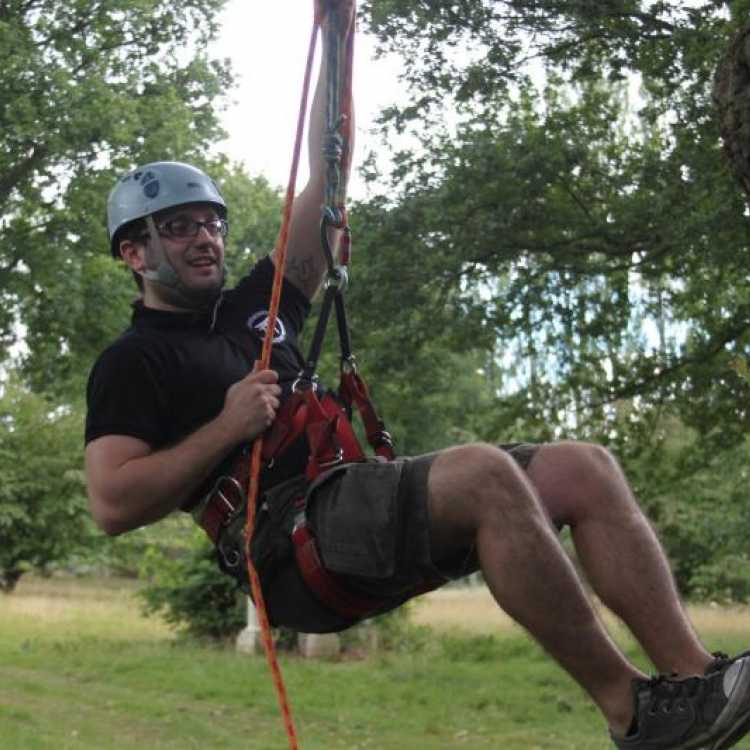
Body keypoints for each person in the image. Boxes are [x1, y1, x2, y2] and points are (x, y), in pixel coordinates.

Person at [84, 3, 750, 748]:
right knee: (483, 473)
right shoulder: (133, 362)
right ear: (134, 255)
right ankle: (635, 712)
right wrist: (229, 426)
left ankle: (699, 686)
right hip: (288, 545)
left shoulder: (260, 304)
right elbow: (112, 502)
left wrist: (339, 34)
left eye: (210, 221)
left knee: (582, 468)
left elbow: (329, 173)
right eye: (177, 228)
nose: (204, 236)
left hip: (348, 506)